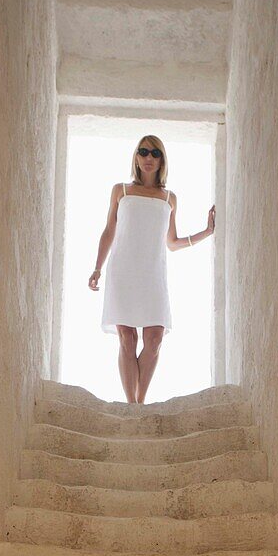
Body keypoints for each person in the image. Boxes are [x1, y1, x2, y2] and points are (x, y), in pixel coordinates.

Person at [88, 135, 216, 404]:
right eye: (143, 152)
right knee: (127, 336)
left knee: (155, 338)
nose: (148, 158)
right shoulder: (120, 191)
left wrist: (206, 232)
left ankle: (140, 401)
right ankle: (133, 406)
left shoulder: (169, 198)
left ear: (162, 160)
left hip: (152, 274)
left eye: (154, 153)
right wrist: (97, 268)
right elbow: (109, 231)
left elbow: (171, 242)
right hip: (123, 270)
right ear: (136, 157)